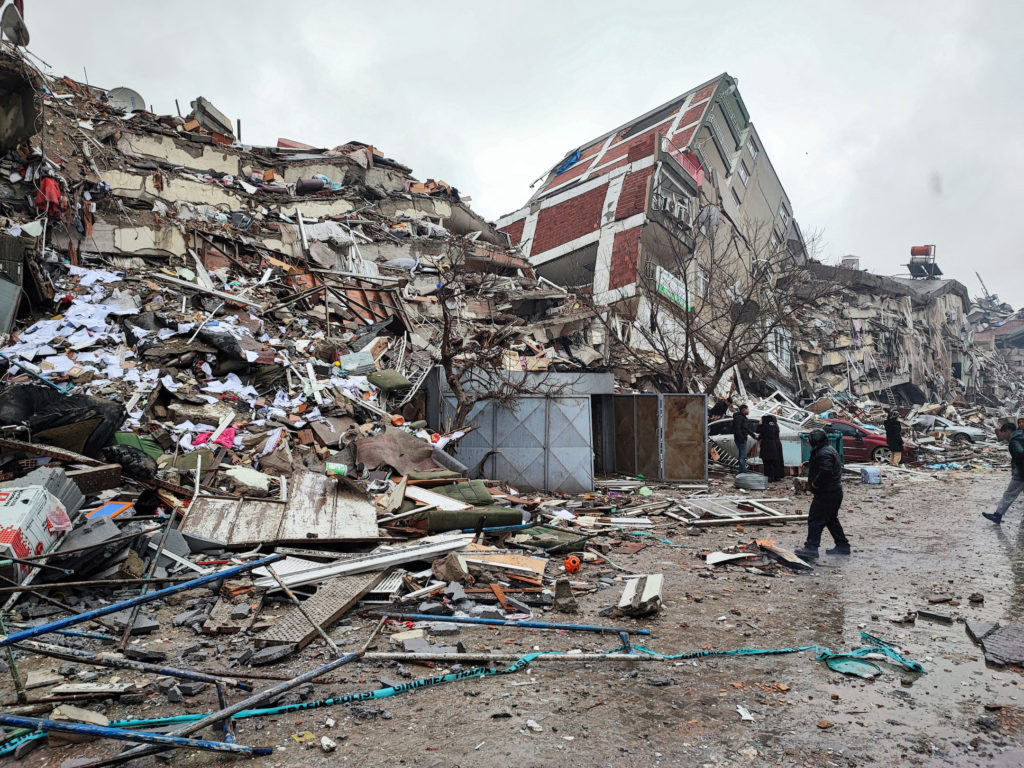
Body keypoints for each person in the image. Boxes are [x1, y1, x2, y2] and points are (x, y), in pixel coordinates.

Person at [795, 429, 850, 559]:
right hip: (833, 492)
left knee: (815, 520)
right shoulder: (826, 449)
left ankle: (811, 548)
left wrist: (815, 484)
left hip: (826, 493)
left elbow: (826, 470)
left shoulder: (824, 453)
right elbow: (824, 464)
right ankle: (843, 546)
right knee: (831, 519)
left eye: (809, 440)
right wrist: (811, 464)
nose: (808, 442)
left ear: (815, 441)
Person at [982, 422, 1024, 524]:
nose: (1002, 435)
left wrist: (1019, 468)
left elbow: (1020, 455)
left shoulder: (1014, 441)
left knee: (1009, 494)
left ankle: (997, 515)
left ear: (1008, 431)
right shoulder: (1021, 436)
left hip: (1021, 473)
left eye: (1003, 432)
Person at [756, 414, 785, 481]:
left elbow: (758, 430)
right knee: (773, 462)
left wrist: (760, 423)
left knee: (767, 462)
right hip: (774, 445)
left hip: (766, 446)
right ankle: (774, 477)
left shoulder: (765, 426)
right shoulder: (774, 425)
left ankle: (768, 477)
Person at [732, 404, 757, 473]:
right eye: (747, 409)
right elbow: (737, 429)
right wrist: (741, 438)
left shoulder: (742, 417)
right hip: (741, 439)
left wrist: (754, 436)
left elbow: (746, 429)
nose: (748, 411)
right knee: (742, 456)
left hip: (741, 439)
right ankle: (742, 471)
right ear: (744, 410)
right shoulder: (740, 418)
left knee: (742, 455)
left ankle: (742, 470)